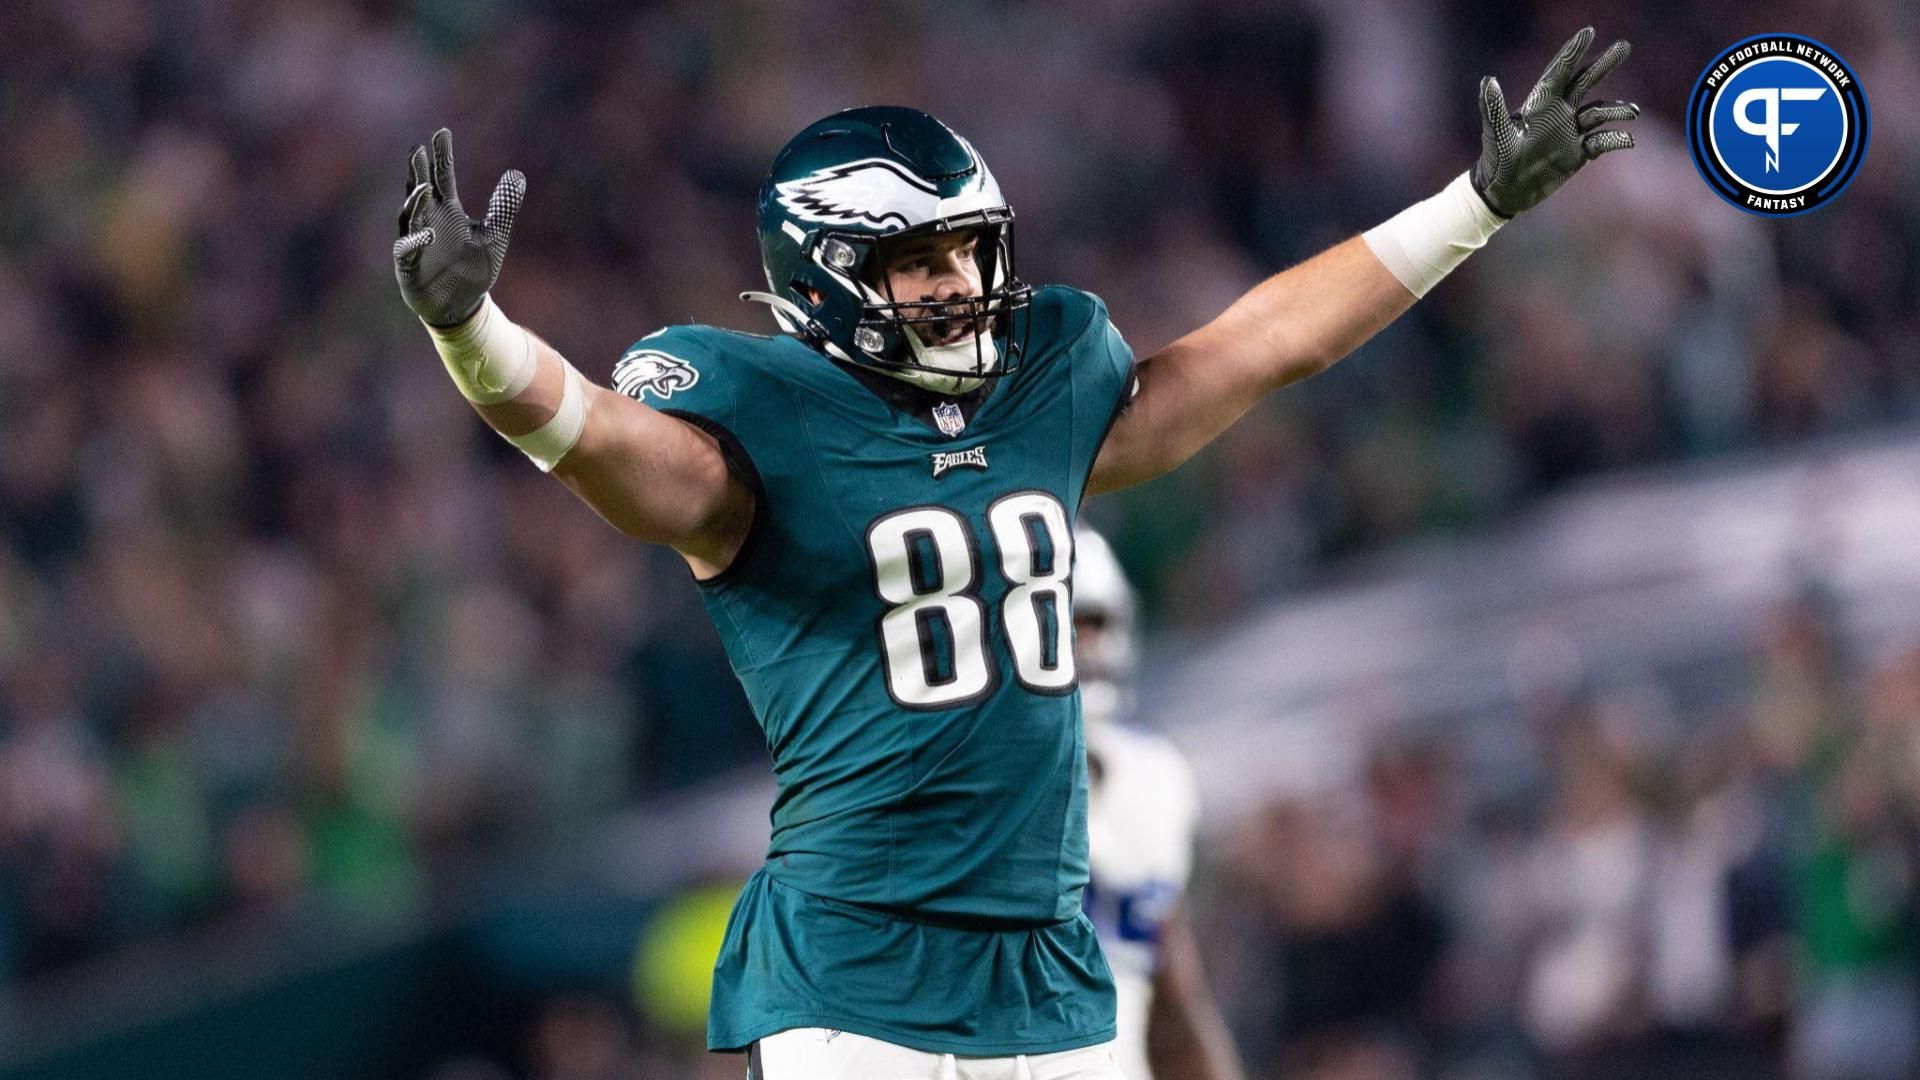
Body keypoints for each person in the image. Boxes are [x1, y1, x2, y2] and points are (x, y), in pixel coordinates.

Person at [390, 27, 1636, 1080]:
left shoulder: (1043, 386)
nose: (959, 283)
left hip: (1047, 956)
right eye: (918, 262)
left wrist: (1470, 206)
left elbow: (1264, 345)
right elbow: (609, 448)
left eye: (968, 248)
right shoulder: (748, 415)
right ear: (823, 277)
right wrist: (472, 331)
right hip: (855, 960)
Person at [1074, 526, 1245, 1080]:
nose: (1078, 646)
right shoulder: (946, 775)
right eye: (1053, 622)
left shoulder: (1151, 777)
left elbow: (1172, 984)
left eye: (1090, 624)